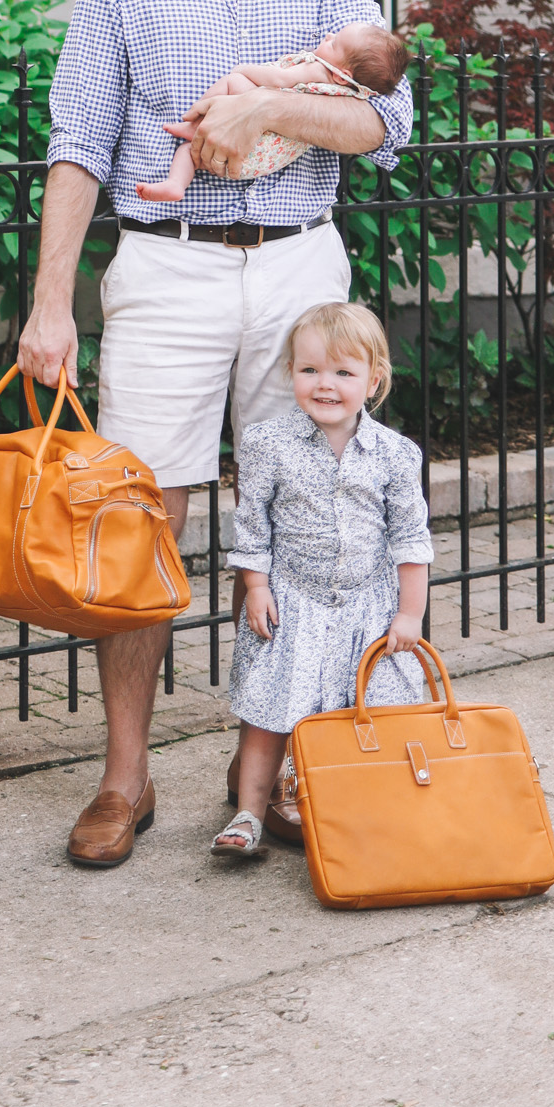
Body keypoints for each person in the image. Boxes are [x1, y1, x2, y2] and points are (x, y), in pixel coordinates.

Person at [18, 0, 413, 870]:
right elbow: (79, 141)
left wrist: (267, 112)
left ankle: (287, 770)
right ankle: (124, 776)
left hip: (298, 269)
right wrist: (53, 302)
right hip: (167, 268)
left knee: (313, 526)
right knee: (140, 527)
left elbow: (390, 127)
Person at [214, 301, 434, 860]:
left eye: (343, 372)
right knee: (270, 712)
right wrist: (257, 588)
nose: (325, 384)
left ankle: (367, 801)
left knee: (373, 707)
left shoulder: (393, 454)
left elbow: (411, 538)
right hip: (295, 601)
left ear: (373, 380)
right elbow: (253, 526)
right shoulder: (268, 444)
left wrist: (409, 614)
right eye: (310, 370)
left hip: (368, 606)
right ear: (292, 374)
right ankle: (249, 812)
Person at [135, 23, 411, 204]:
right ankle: (175, 184)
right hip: (263, 157)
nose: (328, 36)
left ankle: (192, 127)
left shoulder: (318, 70)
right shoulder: (357, 91)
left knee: (231, 86)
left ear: (344, 75)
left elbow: (278, 79)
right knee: (189, 153)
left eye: (335, 43)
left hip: (257, 140)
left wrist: (243, 70)